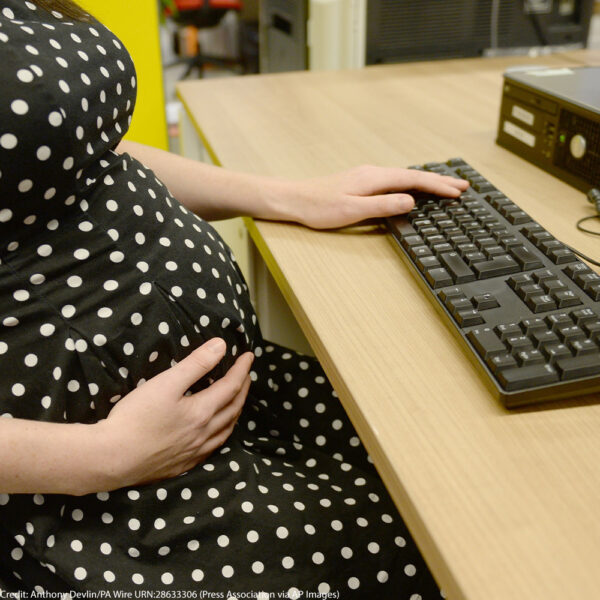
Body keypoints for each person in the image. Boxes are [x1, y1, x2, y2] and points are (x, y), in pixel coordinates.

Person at [0, 0, 469, 597]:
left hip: (232, 407)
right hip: (101, 498)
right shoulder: (102, 462)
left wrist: (285, 195)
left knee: (443, 464)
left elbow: (84, 155)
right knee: (444, 556)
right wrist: (102, 453)